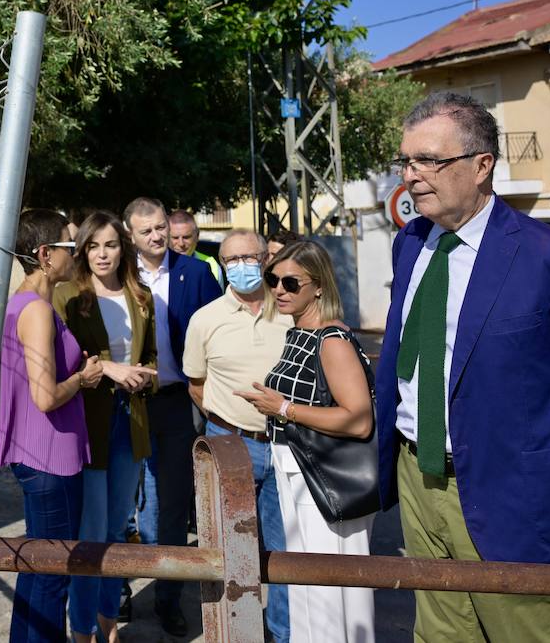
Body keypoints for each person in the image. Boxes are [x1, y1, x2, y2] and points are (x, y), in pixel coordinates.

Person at [375, 91, 550, 641]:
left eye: (429, 160)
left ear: (481, 165)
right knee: (441, 635)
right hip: (417, 477)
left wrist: (541, 462)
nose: (412, 174)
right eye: (406, 160)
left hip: (514, 494)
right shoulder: (410, 243)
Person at [237, 240, 375, 643]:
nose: (278, 290)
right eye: (273, 279)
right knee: (307, 590)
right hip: (296, 475)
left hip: (325, 482)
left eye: (291, 282)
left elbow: (358, 420)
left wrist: (283, 408)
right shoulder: (298, 332)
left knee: (330, 594)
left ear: (318, 287)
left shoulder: (331, 340)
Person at [0, 208, 102, 643]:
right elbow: (45, 396)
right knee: (53, 573)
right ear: (45, 254)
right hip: (49, 458)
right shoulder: (36, 310)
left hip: (41, 456)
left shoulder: (25, 303)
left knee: (38, 568)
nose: (78, 254)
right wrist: (83, 379)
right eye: (71, 245)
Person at [54, 212, 158, 643]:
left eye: (110, 245)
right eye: (93, 246)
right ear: (82, 251)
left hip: (130, 421)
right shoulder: (67, 294)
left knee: (117, 530)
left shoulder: (141, 295)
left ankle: (108, 623)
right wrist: (112, 369)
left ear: (123, 248)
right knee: (91, 533)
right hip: (88, 423)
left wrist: (144, 376)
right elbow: (63, 358)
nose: (102, 254)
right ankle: (82, 630)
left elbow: (151, 357)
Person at [183, 228, 291, 643]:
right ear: (222, 265)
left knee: (283, 552)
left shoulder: (290, 312)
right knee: (230, 550)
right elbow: (197, 386)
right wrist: (229, 421)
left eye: (249, 257)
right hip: (230, 444)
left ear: (266, 260)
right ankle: (234, 632)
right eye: (231, 259)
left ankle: (281, 633)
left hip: (287, 445)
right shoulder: (205, 319)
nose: (241, 266)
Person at [124, 196, 222, 637]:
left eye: (160, 227)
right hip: (126, 405)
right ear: (131, 235)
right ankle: (116, 590)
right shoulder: (118, 273)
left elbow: (218, 330)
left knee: (172, 503)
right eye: (146, 230)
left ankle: (168, 597)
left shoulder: (195, 273)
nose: (157, 236)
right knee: (122, 504)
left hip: (176, 403)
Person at [168, 210, 222, 284]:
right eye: (175, 238)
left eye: (186, 237)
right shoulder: (158, 264)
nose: (181, 244)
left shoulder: (211, 264)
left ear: (197, 236)